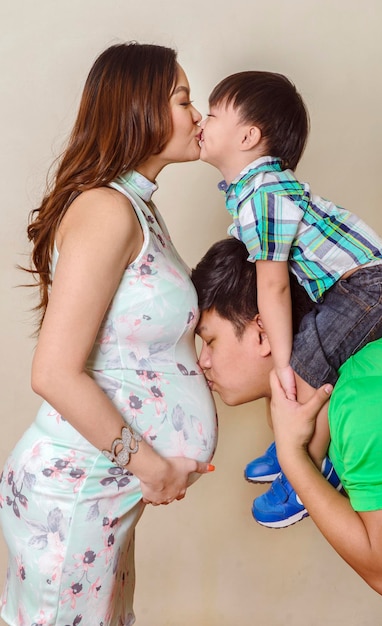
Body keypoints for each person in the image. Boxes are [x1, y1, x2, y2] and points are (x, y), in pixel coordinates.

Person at [0, 42, 218, 625]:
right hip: (73, 500)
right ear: (138, 109)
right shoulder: (107, 210)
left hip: (101, 498)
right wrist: (151, 466)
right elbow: (52, 372)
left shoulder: (137, 206)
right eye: (183, 100)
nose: (198, 116)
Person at [198, 70, 382, 527]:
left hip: (373, 286)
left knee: (303, 366)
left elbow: (272, 285)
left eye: (213, 114)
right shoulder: (255, 191)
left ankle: (305, 471)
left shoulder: (263, 193)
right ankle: (294, 450)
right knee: (304, 360)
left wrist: (283, 363)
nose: (202, 120)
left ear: (249, 135)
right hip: (360, 286)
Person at [191, 237, 382, 602]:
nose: (202, 362)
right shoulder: (325, 397)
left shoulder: (365, 404)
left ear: (263, 333)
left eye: (210, 341)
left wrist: (295, 461)